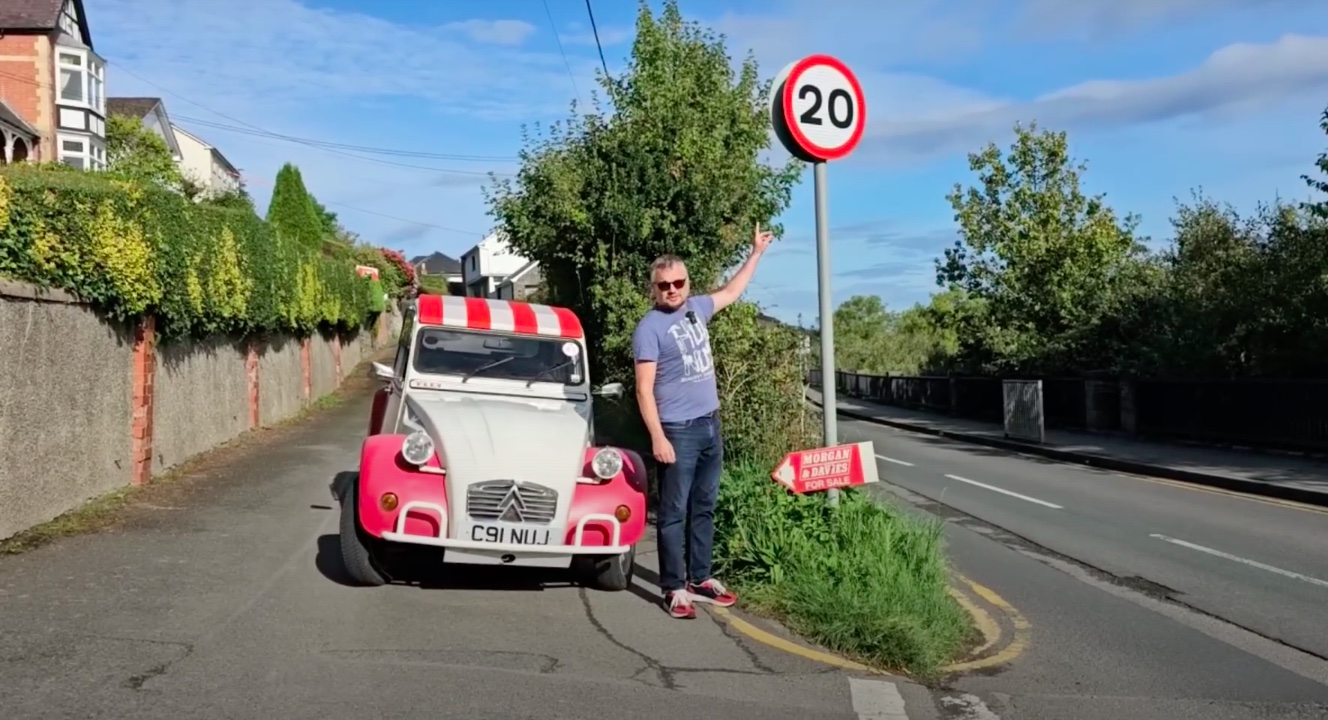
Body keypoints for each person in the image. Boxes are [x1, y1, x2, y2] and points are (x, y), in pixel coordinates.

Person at [631, 223, 774, 619]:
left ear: (688, 283)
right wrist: (658, 437)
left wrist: (756, 253)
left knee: (705, 505)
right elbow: (643, 389)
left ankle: (700, 577)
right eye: (664, 285)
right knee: (674, 511)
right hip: (678, 430)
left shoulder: (697, 309)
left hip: (710, 424)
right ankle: (674, 588)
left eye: (678, 282)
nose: (672, 289)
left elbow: (731, 291)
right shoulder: (649, 329)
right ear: (654, 289)